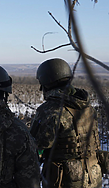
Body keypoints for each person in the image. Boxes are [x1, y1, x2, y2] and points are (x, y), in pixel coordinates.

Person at [30, 58, 102, 188]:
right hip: (94, 176)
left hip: (65, 179)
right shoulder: (87, 106)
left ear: (45, 83)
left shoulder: (50, 110)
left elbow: (36, 146)